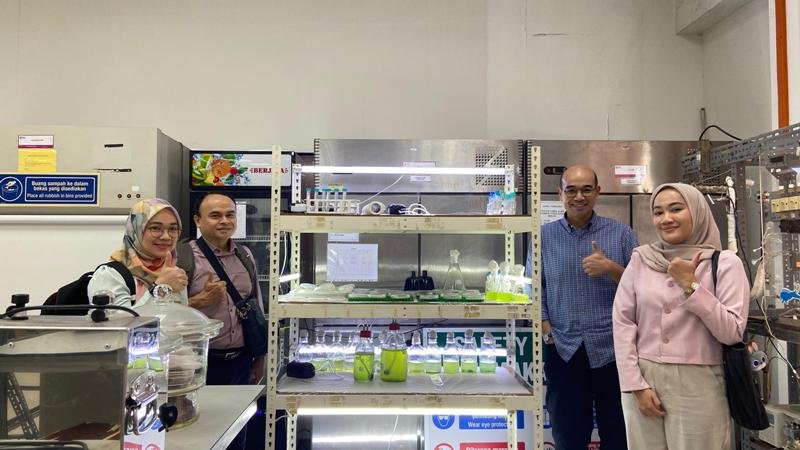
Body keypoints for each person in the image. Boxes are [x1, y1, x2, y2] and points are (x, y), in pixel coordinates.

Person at [612, 183, 749, 449]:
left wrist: (691, 286)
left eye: (676, 209)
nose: (666, 219)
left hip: (698, 382)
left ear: (697, 212)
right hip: (642, 377)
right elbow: (623, 322)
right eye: (658, 212)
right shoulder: (642, 259)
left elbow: (732, 332)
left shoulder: (724, 263)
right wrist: (634, 384)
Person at [526, 165, 637, 450]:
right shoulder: (542, 237)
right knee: (568, 437)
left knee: (620, 436)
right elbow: (533, 289)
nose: (579, 197)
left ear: (598, 192)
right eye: (571, 190)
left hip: (614, 352)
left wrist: (611, 267)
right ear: (560, 193)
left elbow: (644, 289)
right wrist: (547, 332)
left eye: (587, 189)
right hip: (564, 350)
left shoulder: (621, 235)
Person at [176, 192, 265, 450]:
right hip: (197, 365)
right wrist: (199, 300)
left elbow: (256, 306)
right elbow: (163, 312)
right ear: (198, 220)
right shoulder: (183, 257)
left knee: (237, 432)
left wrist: (259, 356)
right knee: (198, 435)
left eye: (230, 215)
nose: (224, 221)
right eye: (215, 215)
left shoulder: (244, 255)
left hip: (240, 362)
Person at [88, 197, 188, 307]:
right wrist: (160, 288)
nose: (166, 236)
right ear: (136, 230)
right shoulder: (110, 275)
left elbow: (180, 315)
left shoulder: (173, 272)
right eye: (155, 228)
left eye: (173, 229)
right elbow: (118, 318)